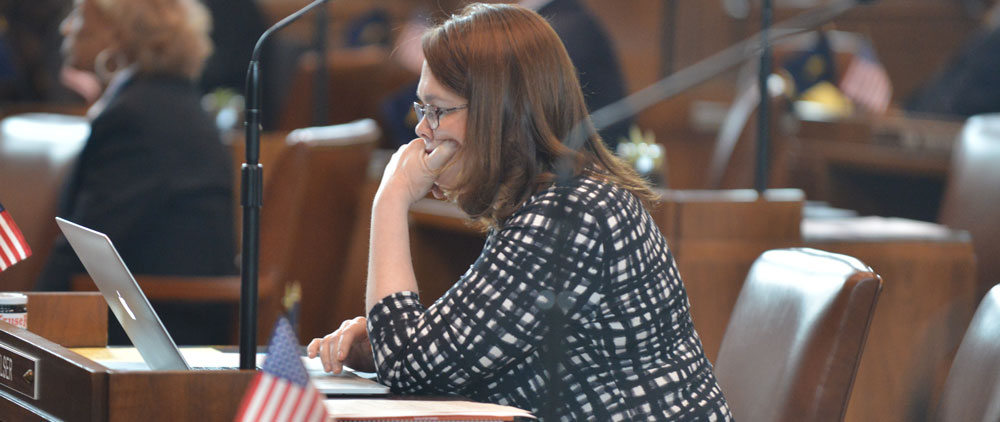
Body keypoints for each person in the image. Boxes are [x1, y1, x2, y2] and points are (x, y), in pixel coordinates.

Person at [308, 4, 731, 420]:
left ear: (498, 112)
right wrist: (386, 342)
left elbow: (409, 366)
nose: (422, 130)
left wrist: (392, 197)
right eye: (422, 109)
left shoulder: (569, 216)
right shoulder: (551, 204)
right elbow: (442, 359)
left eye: (437, 110)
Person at [37, 0, 236, 345]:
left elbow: (85, 248)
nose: (66, 28)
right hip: (160, 317)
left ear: (119, 34)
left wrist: (19, 322)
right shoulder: (168, 101)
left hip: (157, 333)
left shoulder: (136, 118)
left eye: (80, 16)